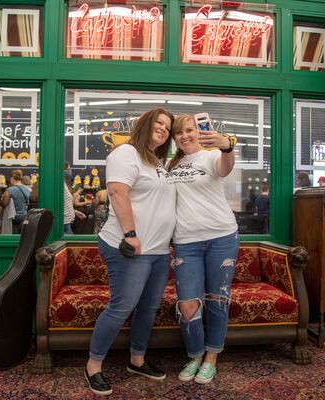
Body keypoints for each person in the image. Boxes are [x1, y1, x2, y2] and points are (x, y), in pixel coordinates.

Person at [85, 108, 176, 396]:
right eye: (159, 123)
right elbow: (117, 193)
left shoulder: (158, 162)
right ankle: (93, 366)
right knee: (121, 307)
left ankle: (137, 360)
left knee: (148, 308)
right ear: (145, 124)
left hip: (159, 250)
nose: (163, 129)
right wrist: (131, 235)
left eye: (167, 127)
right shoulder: (126, 153)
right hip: (129, 246)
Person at [166, 114, 239, 385]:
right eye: (179, 133)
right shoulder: (170, 165)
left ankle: (211, 358)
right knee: (187, 304)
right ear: (174, 138)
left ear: (199, 132)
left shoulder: (210, 157)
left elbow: (226, 167)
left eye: (189, 130)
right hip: (186, 241)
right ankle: (195, 355)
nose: (184, 136)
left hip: (221, 237)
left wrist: (227, 146)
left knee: (217, 300)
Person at [2, 169, 31, 234]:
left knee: (13, 234)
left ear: (12, 178)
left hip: (14, 217)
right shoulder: (27, 189)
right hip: (24, 215)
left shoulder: (10, 190)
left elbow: (4, 203)